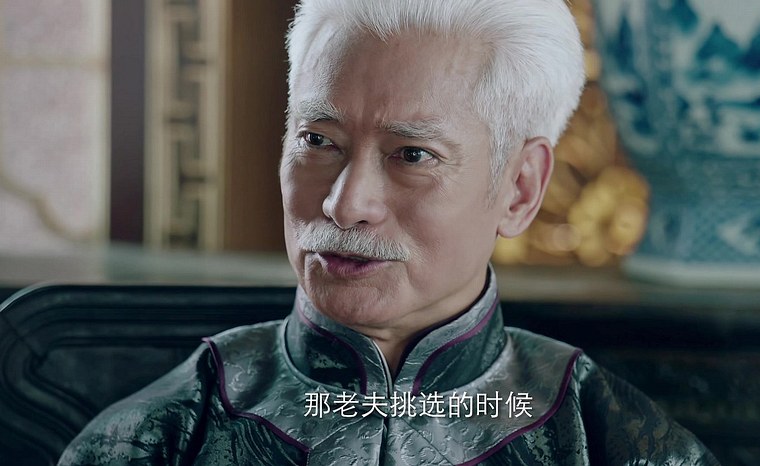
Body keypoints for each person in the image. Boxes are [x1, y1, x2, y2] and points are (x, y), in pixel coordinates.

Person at [60, 0, 720, 464]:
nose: (345, 205)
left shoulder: (609, 440)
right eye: (317, 140)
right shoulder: (160, 435)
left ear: (519, 188)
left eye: (411, 155)